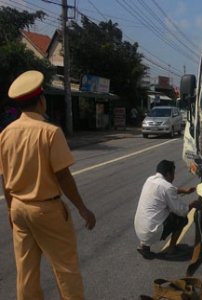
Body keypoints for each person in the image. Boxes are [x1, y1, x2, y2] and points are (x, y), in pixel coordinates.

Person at [0, 70, 96, 300]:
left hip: (20, 209)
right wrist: (83, 209)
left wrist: (10, 210)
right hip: (47, 210)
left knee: (26, 272)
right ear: (41, 101)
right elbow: (63, 177)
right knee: (65, 269)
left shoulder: (5, 134)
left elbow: (5, 178)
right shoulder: (50, 132)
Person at [134, 160, 201, 259]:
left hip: (139, 229)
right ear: (168, 174)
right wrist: (193, 204)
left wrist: (184, 190)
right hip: (152, 231)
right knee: (182, 219)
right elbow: (182, 211)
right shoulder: (167, 187)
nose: (174, 177)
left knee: (157, 214)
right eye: (173, 174)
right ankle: (171, 250)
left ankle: (145, 247)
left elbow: (166, 190)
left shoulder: (150, 179)